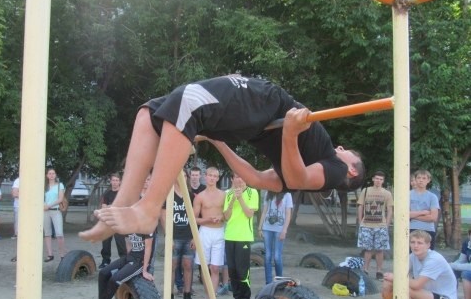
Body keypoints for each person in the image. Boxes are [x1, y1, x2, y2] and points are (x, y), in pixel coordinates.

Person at [79, 75, 365, 243]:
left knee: (188, 100)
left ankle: (149, 209)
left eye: (348, 152)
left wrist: (290, 134)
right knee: (151, 113)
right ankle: (124, 201)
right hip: (257, 122)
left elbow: (297, 178)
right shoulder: (309, 164)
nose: (341, 147)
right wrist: (220, 143)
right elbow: (255, 178)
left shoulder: (335, 169)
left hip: (270, 106)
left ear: (352, 170)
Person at [74, 230, 155, 299]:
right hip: (130, 257)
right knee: (103, 273)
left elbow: (148, 248)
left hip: (140, 262)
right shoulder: (131, 225)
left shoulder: (147, 226)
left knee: (114, 280)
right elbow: (130, 243)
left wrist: (145, 270)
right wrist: (126, 262)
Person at [224, 173, 259, 299]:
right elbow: (226, 217)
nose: (240, 179)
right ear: (232, 179)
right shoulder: (228, 194)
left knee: (242, 271)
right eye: (237, 177)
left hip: (243, 237)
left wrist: (240, 198)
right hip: (230, 236)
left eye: (242, 176)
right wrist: (233, 199)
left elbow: (249, 214)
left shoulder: (253, 192)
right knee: (232, 271)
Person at [161, 170, 196, 299]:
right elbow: (163, 217)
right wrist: (168, 236)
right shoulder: (168, 195)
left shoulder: (191, 196)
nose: (182, 178)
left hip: (188, 236)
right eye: (180, 175)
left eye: (185, 175)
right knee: (172, 266)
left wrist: (194, 237)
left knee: (188, 266)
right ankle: (169, 296)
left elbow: (195, 217)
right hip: (174, 237)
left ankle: (187, 294)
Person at [193, 167, 226, 299]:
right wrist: (207, 220)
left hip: (219, 232)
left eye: (215, 176)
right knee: (204, 266)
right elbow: (194, 218)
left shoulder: (224, 195)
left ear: (218, 178)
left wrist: (221, 217)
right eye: (210, 175)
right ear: (205, 177)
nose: (212, 178)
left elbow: (228, 215)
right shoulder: (200, 196)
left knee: (215, 267)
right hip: (205, 232)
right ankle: (208, 296)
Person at [356, 171, 393, 280]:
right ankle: (365, 270)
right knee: (367, 249)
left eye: (381, 179)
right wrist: (360, 221)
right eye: (377, 178)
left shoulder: (387, 193)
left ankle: (379, 271)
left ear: (383, 181)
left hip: (380, 225)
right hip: (366, 225)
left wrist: (387, 224)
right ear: (373, 179)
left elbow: (390, 210)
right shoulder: (366, 191)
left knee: (380, 250)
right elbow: (360, 206)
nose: (378, 181)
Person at [258, 191, 292, 284]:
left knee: (277, 256)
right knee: (268, 255)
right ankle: (268, 283)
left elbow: (288, 214)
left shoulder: (287, 195)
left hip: (280, 228)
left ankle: (279, 282)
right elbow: (264, 211)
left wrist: (284, 230)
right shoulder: (268, 193)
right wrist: (260, 228)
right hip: (267, 227)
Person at [99, 173, 127, 269]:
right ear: (111, 181)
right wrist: (113, 207)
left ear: (119, 181)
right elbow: (103, 207)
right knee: (105, 242)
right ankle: (105, 261)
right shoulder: (107, 194)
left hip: (119, 221)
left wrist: (111, 206)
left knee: (120, 242)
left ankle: (123, 260)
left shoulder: (122, 194)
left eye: (116, 180)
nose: (114, 182)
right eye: (113, 180)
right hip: (108, 221)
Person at [409, 169, 439, 250]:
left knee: (427, 254)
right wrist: (423, 212)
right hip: (411, 229)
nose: (421, 180)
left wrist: (413, 215)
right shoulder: (408, 195)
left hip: (428, 229)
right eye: (419, 178)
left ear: (428, 180)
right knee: (411, 254)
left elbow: (433, 217)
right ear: (415, 179)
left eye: (424, 178)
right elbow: (404, 214)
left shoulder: (432, 197)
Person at [43, 168, 66, 262]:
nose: (51, 175)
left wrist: (49, 205)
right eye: (49, 173)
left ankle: (62, 255)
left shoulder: (60, 185)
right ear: (47, 175)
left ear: (55, 175)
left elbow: (60, 199)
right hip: (45, 211)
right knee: (47, 234)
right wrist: (44, 205)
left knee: (59, 234)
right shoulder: (44, 186)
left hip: (55, 210)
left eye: (53, 173)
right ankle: (50, 254)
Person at [450, 229, 471, 299]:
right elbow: (461, 261)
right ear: (469, 235)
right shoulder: (467, 243)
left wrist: (451, 265)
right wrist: (449, 267)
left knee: (466, 274)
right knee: (451, 272)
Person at [10, 176, 20, 262]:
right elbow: (14, 194)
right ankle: (19, 254)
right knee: (19, 233)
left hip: (31, 209)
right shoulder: (18, 181)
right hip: (20, 208)